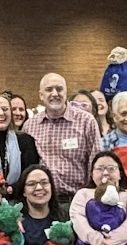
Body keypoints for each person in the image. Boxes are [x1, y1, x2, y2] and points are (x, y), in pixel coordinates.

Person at [23, 74, 102, 207]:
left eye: (59, 89)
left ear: (66, 93)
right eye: (49, 89)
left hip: (77, 201)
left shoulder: (86, 121)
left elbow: (96, 162)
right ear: (41, 95)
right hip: (42, 203)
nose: (55, 94)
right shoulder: (30, 126)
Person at [0, 93, 41, 192]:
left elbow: (30, 174)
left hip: (18, 198)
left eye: (5, 109)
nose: (1, 113)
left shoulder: (26, 141)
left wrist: (13, 189)